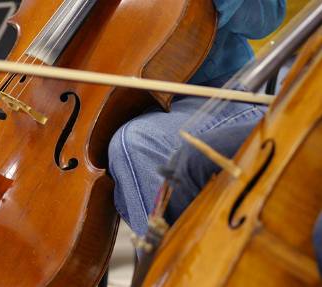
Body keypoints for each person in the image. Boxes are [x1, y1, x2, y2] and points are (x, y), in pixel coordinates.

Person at [108, 0, 286, 237]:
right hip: (109, 100)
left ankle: (177, 271)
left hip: (217, 94)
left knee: (138, 143)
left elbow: (269, 16)